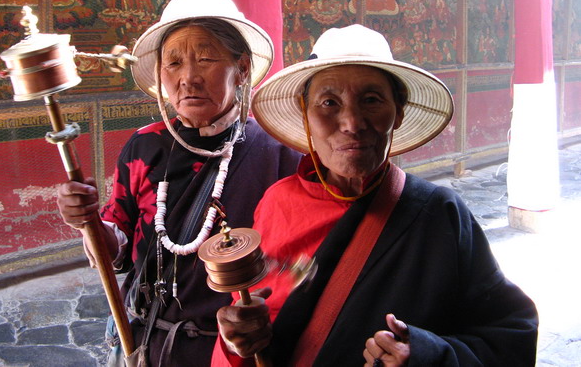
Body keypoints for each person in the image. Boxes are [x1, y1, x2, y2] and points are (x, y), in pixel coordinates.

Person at [211, 25, 538, 366]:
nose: (352, 122)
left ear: (398, 111)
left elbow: (511, 333)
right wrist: (239, 339)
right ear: (304, 112)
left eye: (371, 100)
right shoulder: (278, 204)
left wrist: (426, 355)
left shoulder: (438, 214)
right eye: (328, 102)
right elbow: (256, 327)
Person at [56, 0, 301, 366]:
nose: (188, 78)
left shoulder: (278, 154)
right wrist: (87, 222)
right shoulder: (144, 147)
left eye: (205, 59)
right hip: (140, 344)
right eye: (172, 64)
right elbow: (116, 255)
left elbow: (294, 264)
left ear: (242, 68)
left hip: (227, 353)